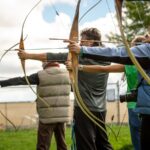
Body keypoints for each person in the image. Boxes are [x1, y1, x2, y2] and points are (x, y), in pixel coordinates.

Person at [18, 28, 113, 150]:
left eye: (82, 40)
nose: (80, 43)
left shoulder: (80, 58)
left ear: (91, 42)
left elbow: (52, 56)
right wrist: (74, 59)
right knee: (103, 144)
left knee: (86, 145)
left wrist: (27, 55)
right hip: (101, 108)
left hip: (84, 109)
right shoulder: (107, 57)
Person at [67, 34, 150, 150]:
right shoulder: (139, 61)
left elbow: (115, 55)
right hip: (140, 106)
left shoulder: (144, 53)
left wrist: (81, 54)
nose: (146, 34)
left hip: (138, 107)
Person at [0, 61, 71, 150]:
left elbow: (21, 80)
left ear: (46, 63)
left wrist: (2, 83)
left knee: (43, 146)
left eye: (42, 62)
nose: (41, 64)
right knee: (62, 145)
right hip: (62, 116)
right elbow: (72, 88)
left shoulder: (41, 75)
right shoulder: (67, 74)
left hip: (47, 117)